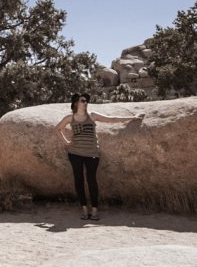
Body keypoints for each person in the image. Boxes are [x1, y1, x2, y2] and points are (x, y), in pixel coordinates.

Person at [54, 93, 142, 221]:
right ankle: (84, 209)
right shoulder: (70, 118)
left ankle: (94, 210)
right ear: (76, 103)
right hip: (75, 154)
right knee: (78, 181)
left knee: (91, 181)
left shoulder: (92, 116)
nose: (86, 103)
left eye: (86, 101)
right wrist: (66, 142)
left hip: (92, 154)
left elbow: (112, 119)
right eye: (83, 101)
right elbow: (57, 129)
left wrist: (133, 117)